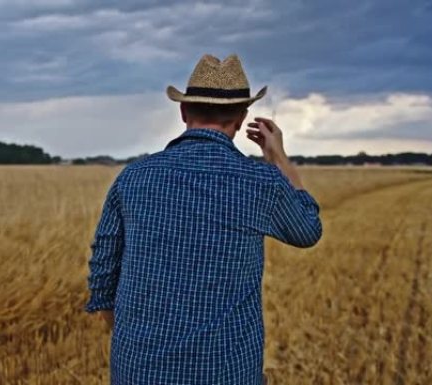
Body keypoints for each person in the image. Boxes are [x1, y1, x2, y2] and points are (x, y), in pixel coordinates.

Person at [84, 54, 322, 384]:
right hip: (226, 372)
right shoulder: (259, 181)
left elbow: (104, 272)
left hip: (137, 369)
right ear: (242, 118)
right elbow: (308, 229)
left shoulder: (134, 176)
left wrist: (138, 341)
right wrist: (277, 157)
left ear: (183, 112)